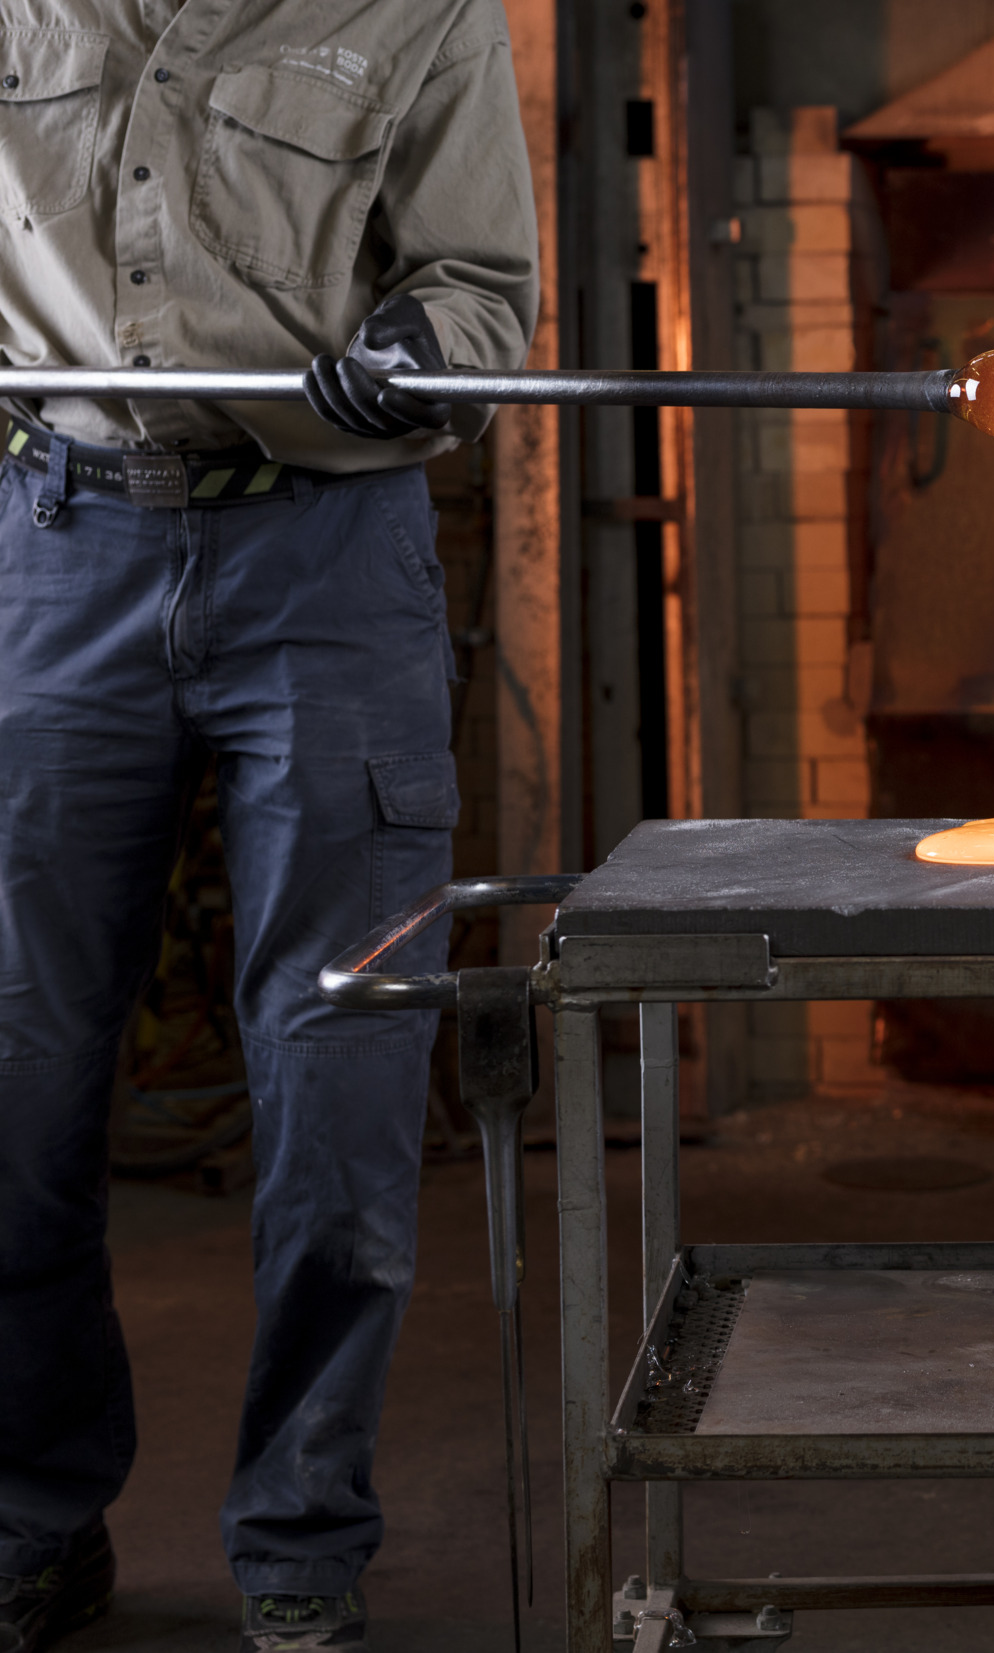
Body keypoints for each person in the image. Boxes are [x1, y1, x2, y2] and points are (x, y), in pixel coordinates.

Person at [0, 2, 538, 1650]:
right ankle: (29, 1517)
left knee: (343, 1080)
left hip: (324, 561)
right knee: (15, 1081)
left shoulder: (420, 8)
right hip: (54, 546)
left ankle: (304, 1538)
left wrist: (420, 361)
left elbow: (485, 294)